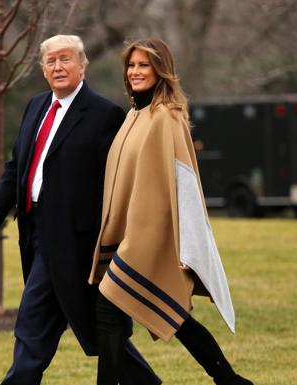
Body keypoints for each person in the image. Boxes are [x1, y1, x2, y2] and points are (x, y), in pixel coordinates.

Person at [0, 35, 161, 385]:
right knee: (95, 325)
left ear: (82, 65)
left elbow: (117, 183)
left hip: (78, 243)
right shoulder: (35, 106)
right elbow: (18, 167)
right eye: (51, 61)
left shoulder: (105, 114)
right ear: (43, 69)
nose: (58, 67)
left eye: (65, 59)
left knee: (33, 322)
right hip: (34, 233)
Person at [89, 37, 254, 385]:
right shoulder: (134, 115)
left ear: (160, 70)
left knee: (110, 308)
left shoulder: (166, 117)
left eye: (143, 65)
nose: (135, 72)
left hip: (153, 239)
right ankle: (231, 380)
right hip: (128, 236)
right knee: (172, 316)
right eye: (131, 65)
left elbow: (186, 187)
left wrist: (188, 248)